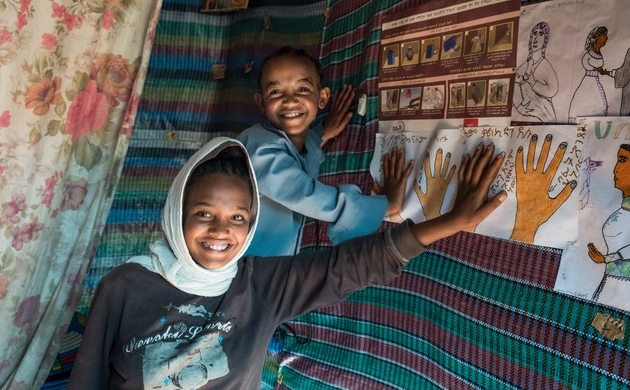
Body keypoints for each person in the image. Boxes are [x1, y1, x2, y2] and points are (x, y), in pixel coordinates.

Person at [68, 136, 506, 389]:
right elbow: (86, 380)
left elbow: (350, 266)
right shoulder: (124, 286)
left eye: (237, 218)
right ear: (176, 212)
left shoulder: (259, 285)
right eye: (203, 213)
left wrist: (448, 223)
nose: (221, 231)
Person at [238, 46, 413, 257]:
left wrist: (322, 133)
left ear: (322, 98)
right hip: (242, 270)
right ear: (261, 103)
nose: (290, 100)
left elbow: (295, 156)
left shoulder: (293, 143)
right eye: (276, 92)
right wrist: (384, 206)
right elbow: (306, 195)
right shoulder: (257, 146)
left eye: (302, 89)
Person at [587, 143, 630, 302]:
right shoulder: (623, 209)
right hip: (610, 284)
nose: (615, 170)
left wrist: (606, 259)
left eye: (623, 160)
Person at [513, 22, 559, 123]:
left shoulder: (545, 65)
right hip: (524, 116)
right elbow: (514, 88)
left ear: (545, 40)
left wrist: (533, 83)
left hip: (543, 115)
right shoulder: (524, 66)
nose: (536, 39)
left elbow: (553, 90)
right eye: (534, 34)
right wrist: (519, 107)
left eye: (541, 34)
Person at [568, 26, 609, 123]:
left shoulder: (598, 53)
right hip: (589, 80)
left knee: (599, 102)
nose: (606, 38)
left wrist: (602, 71)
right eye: (604, 35)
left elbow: (599, 67)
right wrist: (595, 68)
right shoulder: (589, 54)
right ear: (597, 37)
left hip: (595, 79)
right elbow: (586, 63)